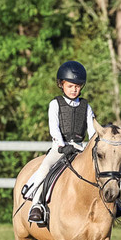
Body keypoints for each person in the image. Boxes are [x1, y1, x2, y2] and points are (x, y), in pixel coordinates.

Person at [22, 60, 97, 224]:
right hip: (60, 147)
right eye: (70, 86)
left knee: (100, 170)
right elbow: (53, 128)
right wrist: (62, 146)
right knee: (46, 168)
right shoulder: (55, 104)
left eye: (77, 86)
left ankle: (112, 203)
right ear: (61, 85)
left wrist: (92, 147)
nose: (74, 89)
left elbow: (92, 131)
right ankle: (37, 205)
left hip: (79, 148)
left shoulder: (86, 106)